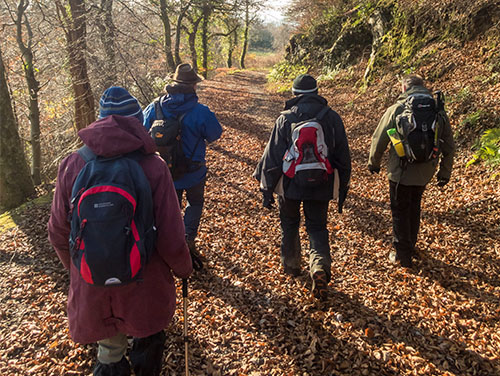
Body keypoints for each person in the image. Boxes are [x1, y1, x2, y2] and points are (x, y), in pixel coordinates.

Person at [48, 87, 193, 376]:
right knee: (147, 337)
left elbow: (57, 231)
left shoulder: (73, 164)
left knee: (109, 352)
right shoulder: (154, 167)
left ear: (99, 121)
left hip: (92, 282)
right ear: (138, 123)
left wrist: (78, 268)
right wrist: (184, 269)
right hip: (145, 282)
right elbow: (171, 238)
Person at [254, 74, 351, 300]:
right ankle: (319, 267)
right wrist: (342, 188)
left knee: (289, 224)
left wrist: (266, 189)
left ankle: (291, 265)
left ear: (294, 94)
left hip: (289, 185)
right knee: (317, 227)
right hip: (321, 183)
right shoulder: (332, 118)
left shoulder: (286, 118)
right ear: (317, 92)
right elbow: (343, 156)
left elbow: (272, 157)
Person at [368, 75, 455, 268]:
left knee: (399, 210)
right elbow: (449, 145)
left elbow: (379, 138)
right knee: (414, 207)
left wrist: (374, 162)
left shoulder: (397, 109)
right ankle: (410, 245)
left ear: (404, 87)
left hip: (400, 171)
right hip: (425, 171)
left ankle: (402, 254)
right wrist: (444, 173)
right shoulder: (437, 111)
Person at [143, 63, 222, 265]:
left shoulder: (155, 106)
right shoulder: (200, 111)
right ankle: (187, 239)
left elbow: (142, 133)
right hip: (194, 170)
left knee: (171, 208)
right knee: (195, 203)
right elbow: (215, 134)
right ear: (193, 85)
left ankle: (171, 242)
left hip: (164, 171)